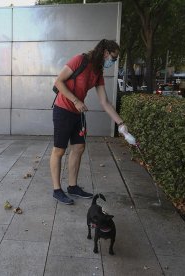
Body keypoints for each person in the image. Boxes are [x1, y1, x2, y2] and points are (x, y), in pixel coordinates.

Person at [51, 39, 128, 205]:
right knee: (59, 150)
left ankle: (73, 187)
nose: (113, 62)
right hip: (63, 109)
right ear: (105, 52)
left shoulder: (98, 72)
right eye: (113, 58)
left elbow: (105, 102)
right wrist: (76, 100)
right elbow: (58, 81)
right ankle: (57, 190)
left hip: (78, 113)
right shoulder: (80, 60)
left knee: (79, 147)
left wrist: (121, 124)